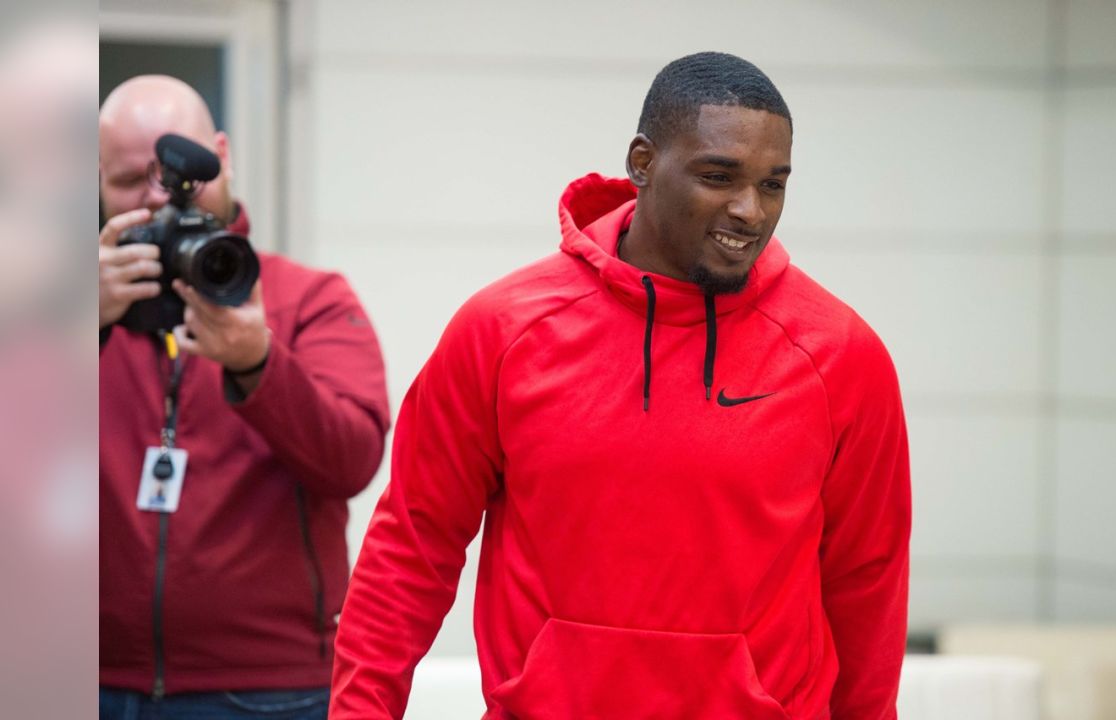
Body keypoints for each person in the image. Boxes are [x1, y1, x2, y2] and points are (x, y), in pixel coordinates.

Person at [332, 52, 911, 719]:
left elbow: (868, 584)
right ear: (641, 163)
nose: (750, 210)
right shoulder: (501, 331)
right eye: (718, 176)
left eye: (773, 184)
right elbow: (412, 547)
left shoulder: (841, 357)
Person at [98, 75, 390, 719]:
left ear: (222, 155)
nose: (155, 198)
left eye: (175, 174)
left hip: (266, 691)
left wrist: (258, 362)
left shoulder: (309, 299)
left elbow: (352, 461)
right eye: (126, 179)